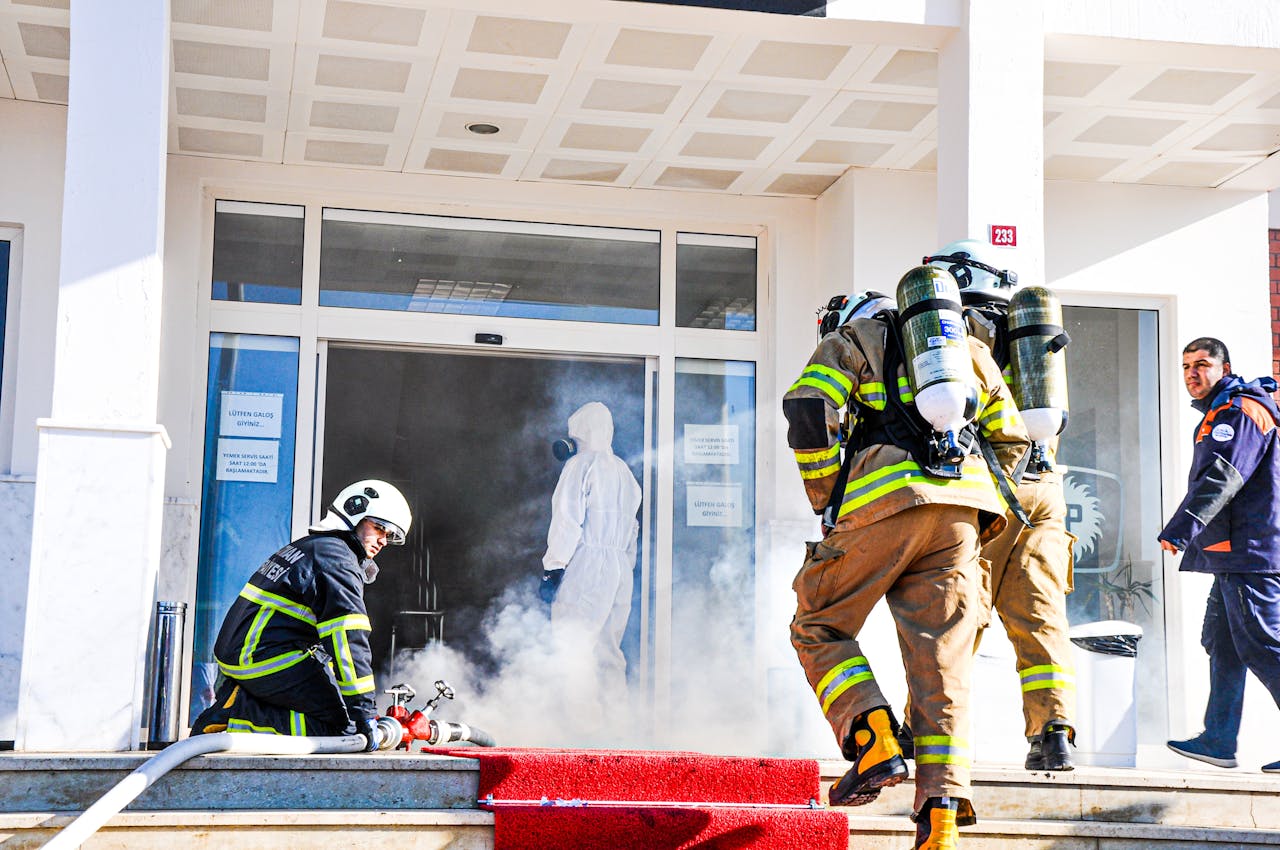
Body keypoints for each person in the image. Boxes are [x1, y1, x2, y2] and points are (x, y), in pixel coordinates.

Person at [783, 268, 1029, 850]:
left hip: (881, 506)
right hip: (960, 523)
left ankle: (873, 737)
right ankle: (939, 821)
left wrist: (827, 497)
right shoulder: (970, 351)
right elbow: (1014, 439)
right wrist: (978, 506)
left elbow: (809, 409)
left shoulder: (854, 339)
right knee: (942, 665)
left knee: (819, 623)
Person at [906, 240, 1078, 772]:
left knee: (953, 621)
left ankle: (919, 731)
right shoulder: (1035, 341)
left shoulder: (954, 335)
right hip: (1044, 493)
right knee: (1041, 618)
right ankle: (1054, 733)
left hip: (989, 492)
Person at [191, 479, 412, 747]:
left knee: (335, 705)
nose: (383, 541)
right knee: (346, 728)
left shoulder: (314, 547)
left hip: (252, 652)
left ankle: (246, 702)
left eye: (389, 535)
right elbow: (347, 639)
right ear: (354, 512)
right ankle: (237, 714)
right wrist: (364, 712)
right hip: (261, 656)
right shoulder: (337, 560)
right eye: (379, 528)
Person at [1161, 337, 1280, 772]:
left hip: (1250, 553)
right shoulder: (1221, 410)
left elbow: (1223, 477)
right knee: (1223, 643)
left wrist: (1182, 528)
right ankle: (1218, 740)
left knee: (1264, 644)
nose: (1192, 373)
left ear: (1224, 368)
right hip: (1233, 553)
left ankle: (1219, 738)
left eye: (1202, 364)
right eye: (1186, 366)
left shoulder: (1240, 411)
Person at [539, 401, 642, 734]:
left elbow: (567, 520)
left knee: (574, 646)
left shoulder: (580, 465)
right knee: (609, 651)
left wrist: (553, 568)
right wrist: (624, 570)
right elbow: (633, 532)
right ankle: (619, 728)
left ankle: (583, 731)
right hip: (620, 570)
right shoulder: (625, 473)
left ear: (581, 432)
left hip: (588, 565)